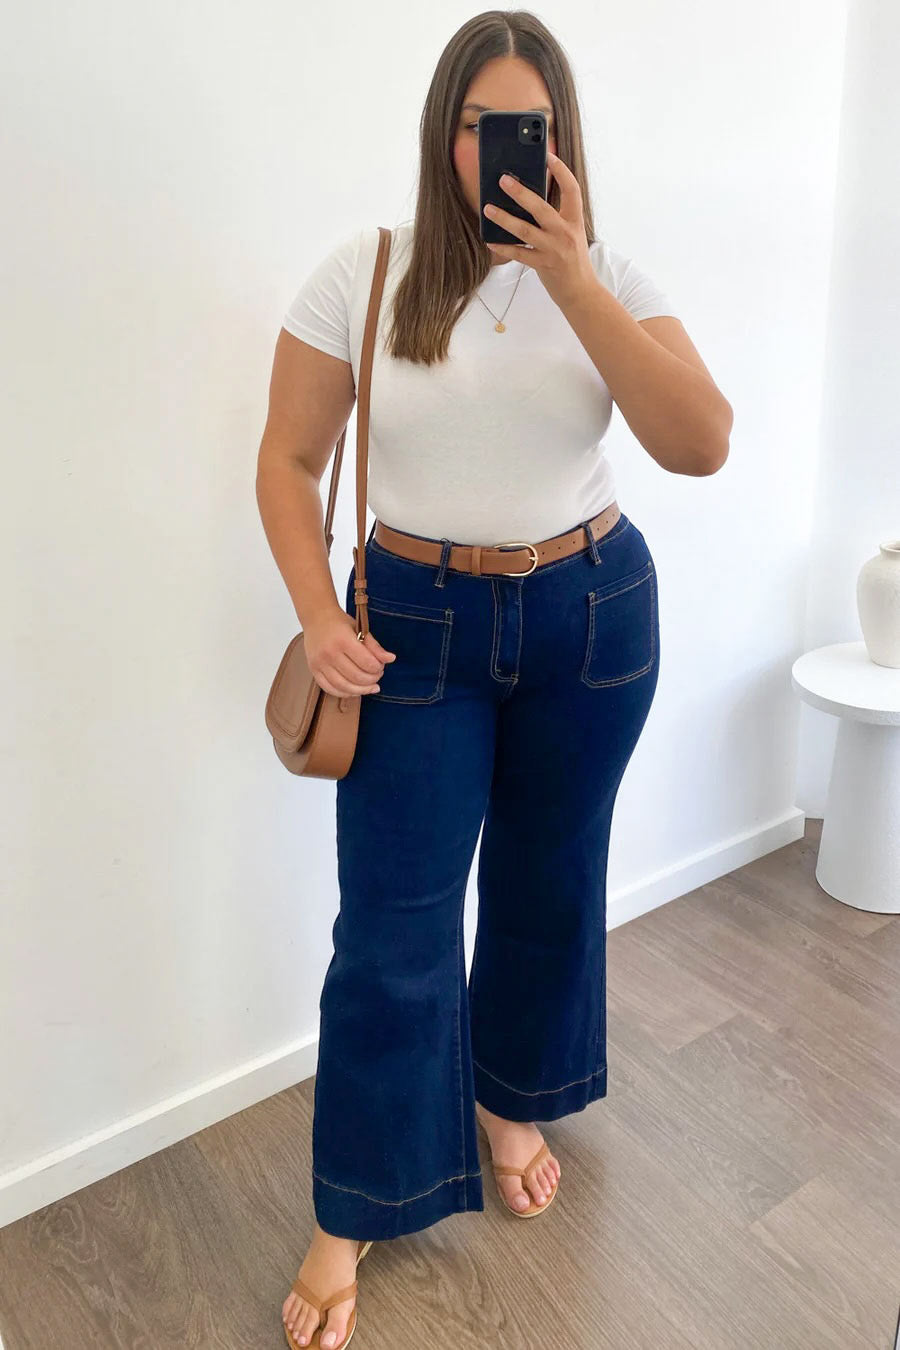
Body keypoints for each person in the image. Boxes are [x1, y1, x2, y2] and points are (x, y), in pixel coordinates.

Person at [257, 14, 732, 1350]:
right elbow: (287, 460)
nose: (501, 152)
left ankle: (508, 1100)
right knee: (392, 930)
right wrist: (317, 612)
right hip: (412, 623)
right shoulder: (367, 271)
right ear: (444, 134)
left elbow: (701, 441)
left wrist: (572, 278)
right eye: (480, 126)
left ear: (563, 140)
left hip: (590, 613)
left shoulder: (609, 277)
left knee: (547, 880)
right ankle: (355, 1206)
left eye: (530, 127)